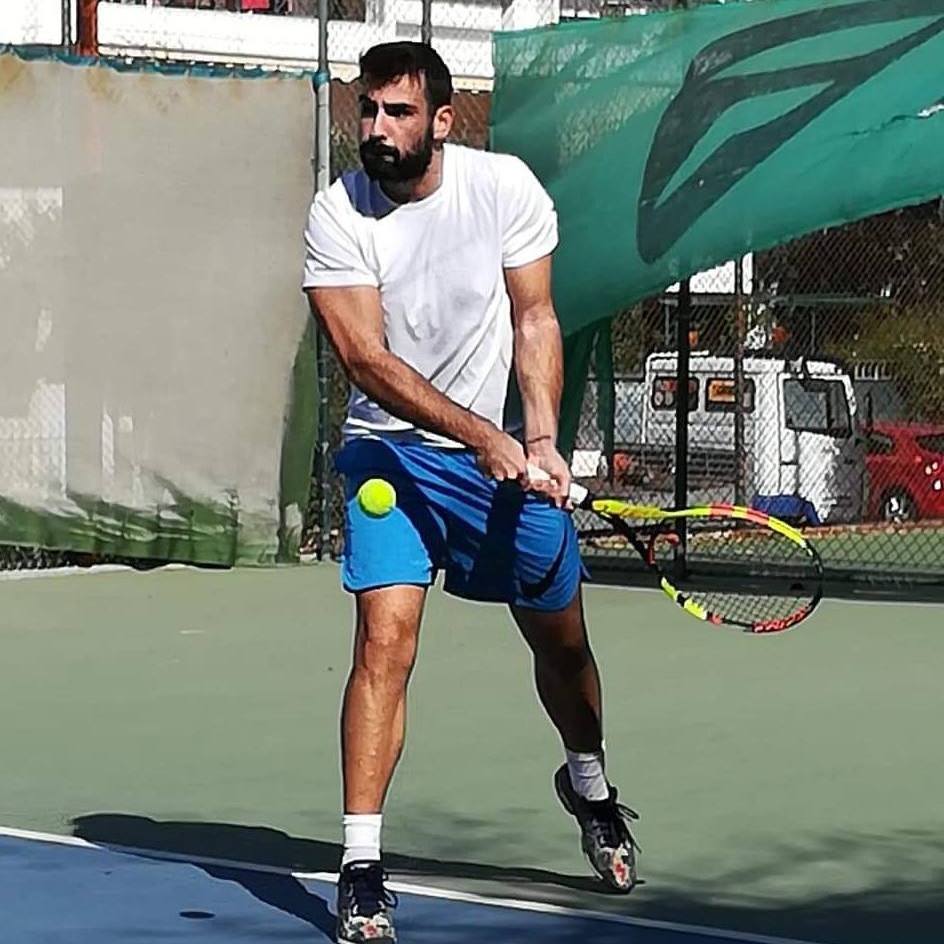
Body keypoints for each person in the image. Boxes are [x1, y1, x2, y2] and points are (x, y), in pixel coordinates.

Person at [303, 41, 639, 944]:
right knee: (385, 642)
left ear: (443, 122)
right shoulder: (338, 212)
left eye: (399, 112)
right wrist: (482, 436)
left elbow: (535, 316)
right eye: (369, 110)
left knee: (563, 646)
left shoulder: (503, 189)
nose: (377, 127)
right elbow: (366, 360)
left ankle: (589, 786)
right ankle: (361, 868)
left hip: (499, 461)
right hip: (390, 460)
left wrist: (539, 438)